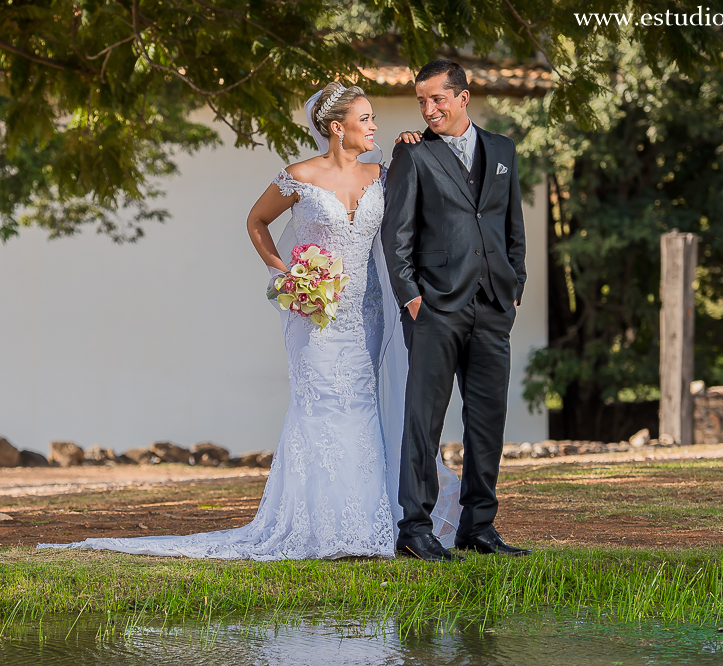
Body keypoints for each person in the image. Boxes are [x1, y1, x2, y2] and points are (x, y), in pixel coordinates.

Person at [38, 83, 460, 560]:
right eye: (365, 118)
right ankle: (321, 526)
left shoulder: (381, 175)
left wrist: (414, 140)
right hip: (315, 315)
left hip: (368, 314)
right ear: (336, 127)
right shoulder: (298, 176)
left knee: (364, 406)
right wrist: (287, 275)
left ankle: (369, 522)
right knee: (320, 406)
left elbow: (415, 211)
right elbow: (256, 222)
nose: (374, 126)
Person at [381, 59, 533, 561]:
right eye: (421, 101)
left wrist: (516, 284)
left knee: (488, 420)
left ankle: (478, 526)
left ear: (462, 97)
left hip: (493, 304)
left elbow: (512, 226)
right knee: (424, 420)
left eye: (437, 99)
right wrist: (412, 297)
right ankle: (415, 528)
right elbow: (396, 235)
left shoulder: (503, 151)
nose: (428, 110)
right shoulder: (413, 154)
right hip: (435, 307)